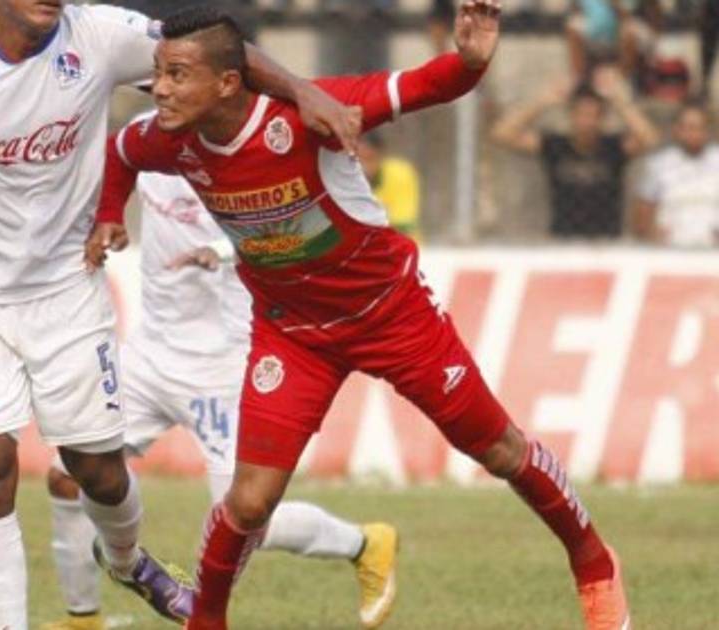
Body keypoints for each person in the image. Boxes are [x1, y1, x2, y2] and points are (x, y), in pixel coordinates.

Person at [0, 1, 361, 628]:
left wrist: (303, 91)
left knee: (98, 473)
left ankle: (127, 561)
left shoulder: (99, 35)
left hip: (67, 291)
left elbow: (216, 51)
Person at [92, 3, 631, 629]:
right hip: (292, 333)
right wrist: (109, 214)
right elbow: (120, 154)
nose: (159, 88)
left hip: (392, 317)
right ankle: (206, 622)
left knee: (499, 451)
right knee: (249, 502)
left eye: (177, 75)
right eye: (159, 72)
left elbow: (424, 87)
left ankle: (593, 562)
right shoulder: (170, 139)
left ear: (228, 83)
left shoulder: (310, 114)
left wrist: (469, 62)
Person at [42, 171, 400, 630]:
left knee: (248, 519)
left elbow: (313, 228)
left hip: (222, 369)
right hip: (148, 357)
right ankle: (84, 618)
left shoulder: (246, 159)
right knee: (66, 476)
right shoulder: (150, 145)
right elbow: (112, 163)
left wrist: (225, 249)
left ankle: (365, 544)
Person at [491, 66, 659, 238]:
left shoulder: (613, 147)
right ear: (571, 116)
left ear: (602, 119)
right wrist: (543, 101)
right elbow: (502, 134)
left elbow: (650, 139)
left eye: (594, 115)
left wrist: (619, 102)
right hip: (563, 239)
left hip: (607, 241)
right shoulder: (555, 145)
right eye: (582, 114)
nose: (587, 122)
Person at [634, 101, 719, 247]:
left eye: (698, 128)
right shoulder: (658, 164)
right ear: (676, 130)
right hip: (669, 250)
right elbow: (643, 214)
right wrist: (652, 235)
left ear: (708, 131)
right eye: (687, 128)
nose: (693, 134)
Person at [358, 132, 422, 241]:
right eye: (358, 159)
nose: (364, 165)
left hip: (396, 242)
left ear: (380, 155)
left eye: (369, 158)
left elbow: (402, 222)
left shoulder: (399, 175)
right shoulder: (343, 178)